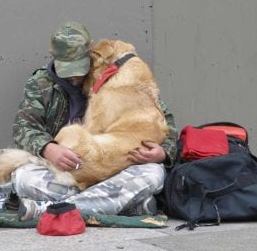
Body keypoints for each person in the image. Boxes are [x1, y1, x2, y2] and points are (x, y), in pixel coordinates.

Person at [9, 21, 178, 221]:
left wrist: (163, 153)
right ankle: (121, 204)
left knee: (153, 173)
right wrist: (49, 149)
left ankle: (51, 210)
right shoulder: (41, 84)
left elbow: (164, 119)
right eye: (68, 68)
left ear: (91, 50)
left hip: (115, 170)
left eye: (79, 66)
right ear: (52, 55)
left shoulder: (112, 73)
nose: (75, 75)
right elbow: (24, 127)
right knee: (23, 177)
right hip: (67, 171)